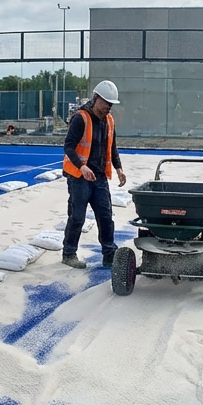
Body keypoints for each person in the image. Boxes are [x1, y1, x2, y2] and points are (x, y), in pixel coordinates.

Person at [61, 80, 127, 269]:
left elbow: (112, 147)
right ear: (96, 98)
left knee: (105, 216)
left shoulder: (109, 121)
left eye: (111, 104)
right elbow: (69, 146)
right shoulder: (80, 118)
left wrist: (119, 168)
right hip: (79, 177)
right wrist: (82, 166)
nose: (108, 107)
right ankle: (69, 253)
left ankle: (109, 254)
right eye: (106, 102)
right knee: (77, 217)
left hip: (99, 177)